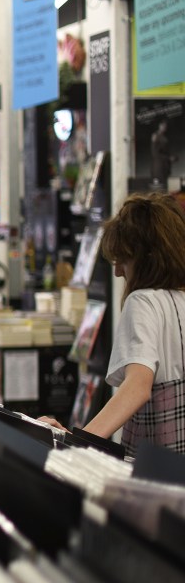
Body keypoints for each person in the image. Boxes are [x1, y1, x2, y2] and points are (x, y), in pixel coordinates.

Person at [41, 193, 185, 455]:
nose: (118, 272)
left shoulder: (143, 301)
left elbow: (138, 387)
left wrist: (75, 443)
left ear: (147, 257)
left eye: (124, 260)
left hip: (157, 467)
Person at [151, 120, 178, 187]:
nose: (165, 127)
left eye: (165, 126)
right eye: (163, 125)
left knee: (166, 186)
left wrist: (173, 157)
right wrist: (168, 158)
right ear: (159, 126)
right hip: (159, 167)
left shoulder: (165, 137)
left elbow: (166, 151)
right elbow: (155, 153)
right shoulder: (156, 136)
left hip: (165, 166)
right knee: (160, 188)